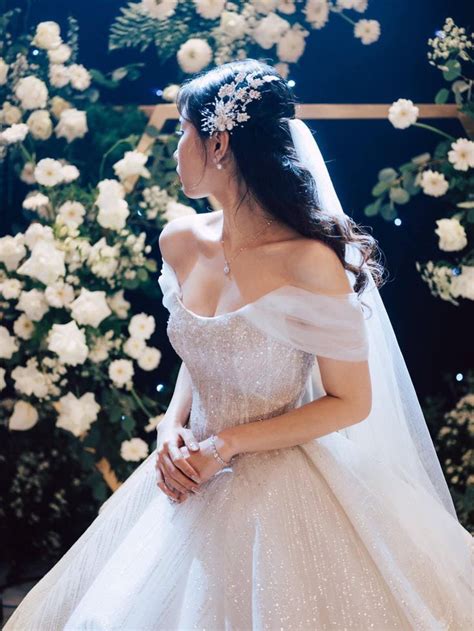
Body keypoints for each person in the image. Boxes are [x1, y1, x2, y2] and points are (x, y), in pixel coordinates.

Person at [5, 59, 472, 630]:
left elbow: (351, 401)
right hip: (184, 474)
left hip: (282, 484)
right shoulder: (179, 240)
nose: (175, 148)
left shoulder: (308, 261)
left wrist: (226, 445)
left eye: (182, 131)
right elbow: (205, 350)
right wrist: (169, 427)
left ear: (218, 141)